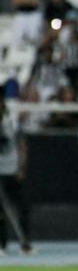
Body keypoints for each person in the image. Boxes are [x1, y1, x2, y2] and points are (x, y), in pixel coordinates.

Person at [0, 90, 33, 255]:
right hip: (5, 170)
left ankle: (24, 244)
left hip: (10, 171)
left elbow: (22, 146)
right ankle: (3, 244)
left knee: (18, 208)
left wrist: (21, 167)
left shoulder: (11, 123)